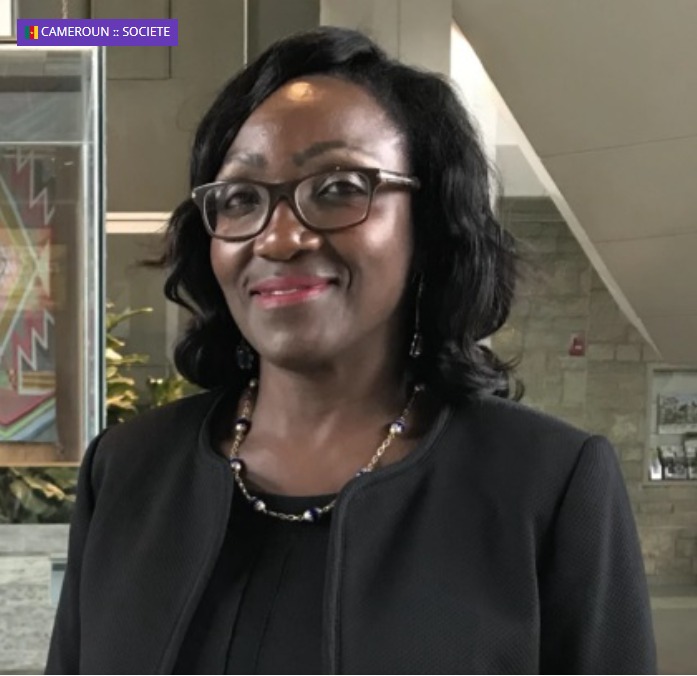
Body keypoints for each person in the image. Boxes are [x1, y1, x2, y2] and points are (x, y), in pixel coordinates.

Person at [46, 26, 656, 675]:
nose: (279, 239)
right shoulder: (128, 470)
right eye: (242, 198)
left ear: (428, 224)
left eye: (338, 188)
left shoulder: (545, 483)